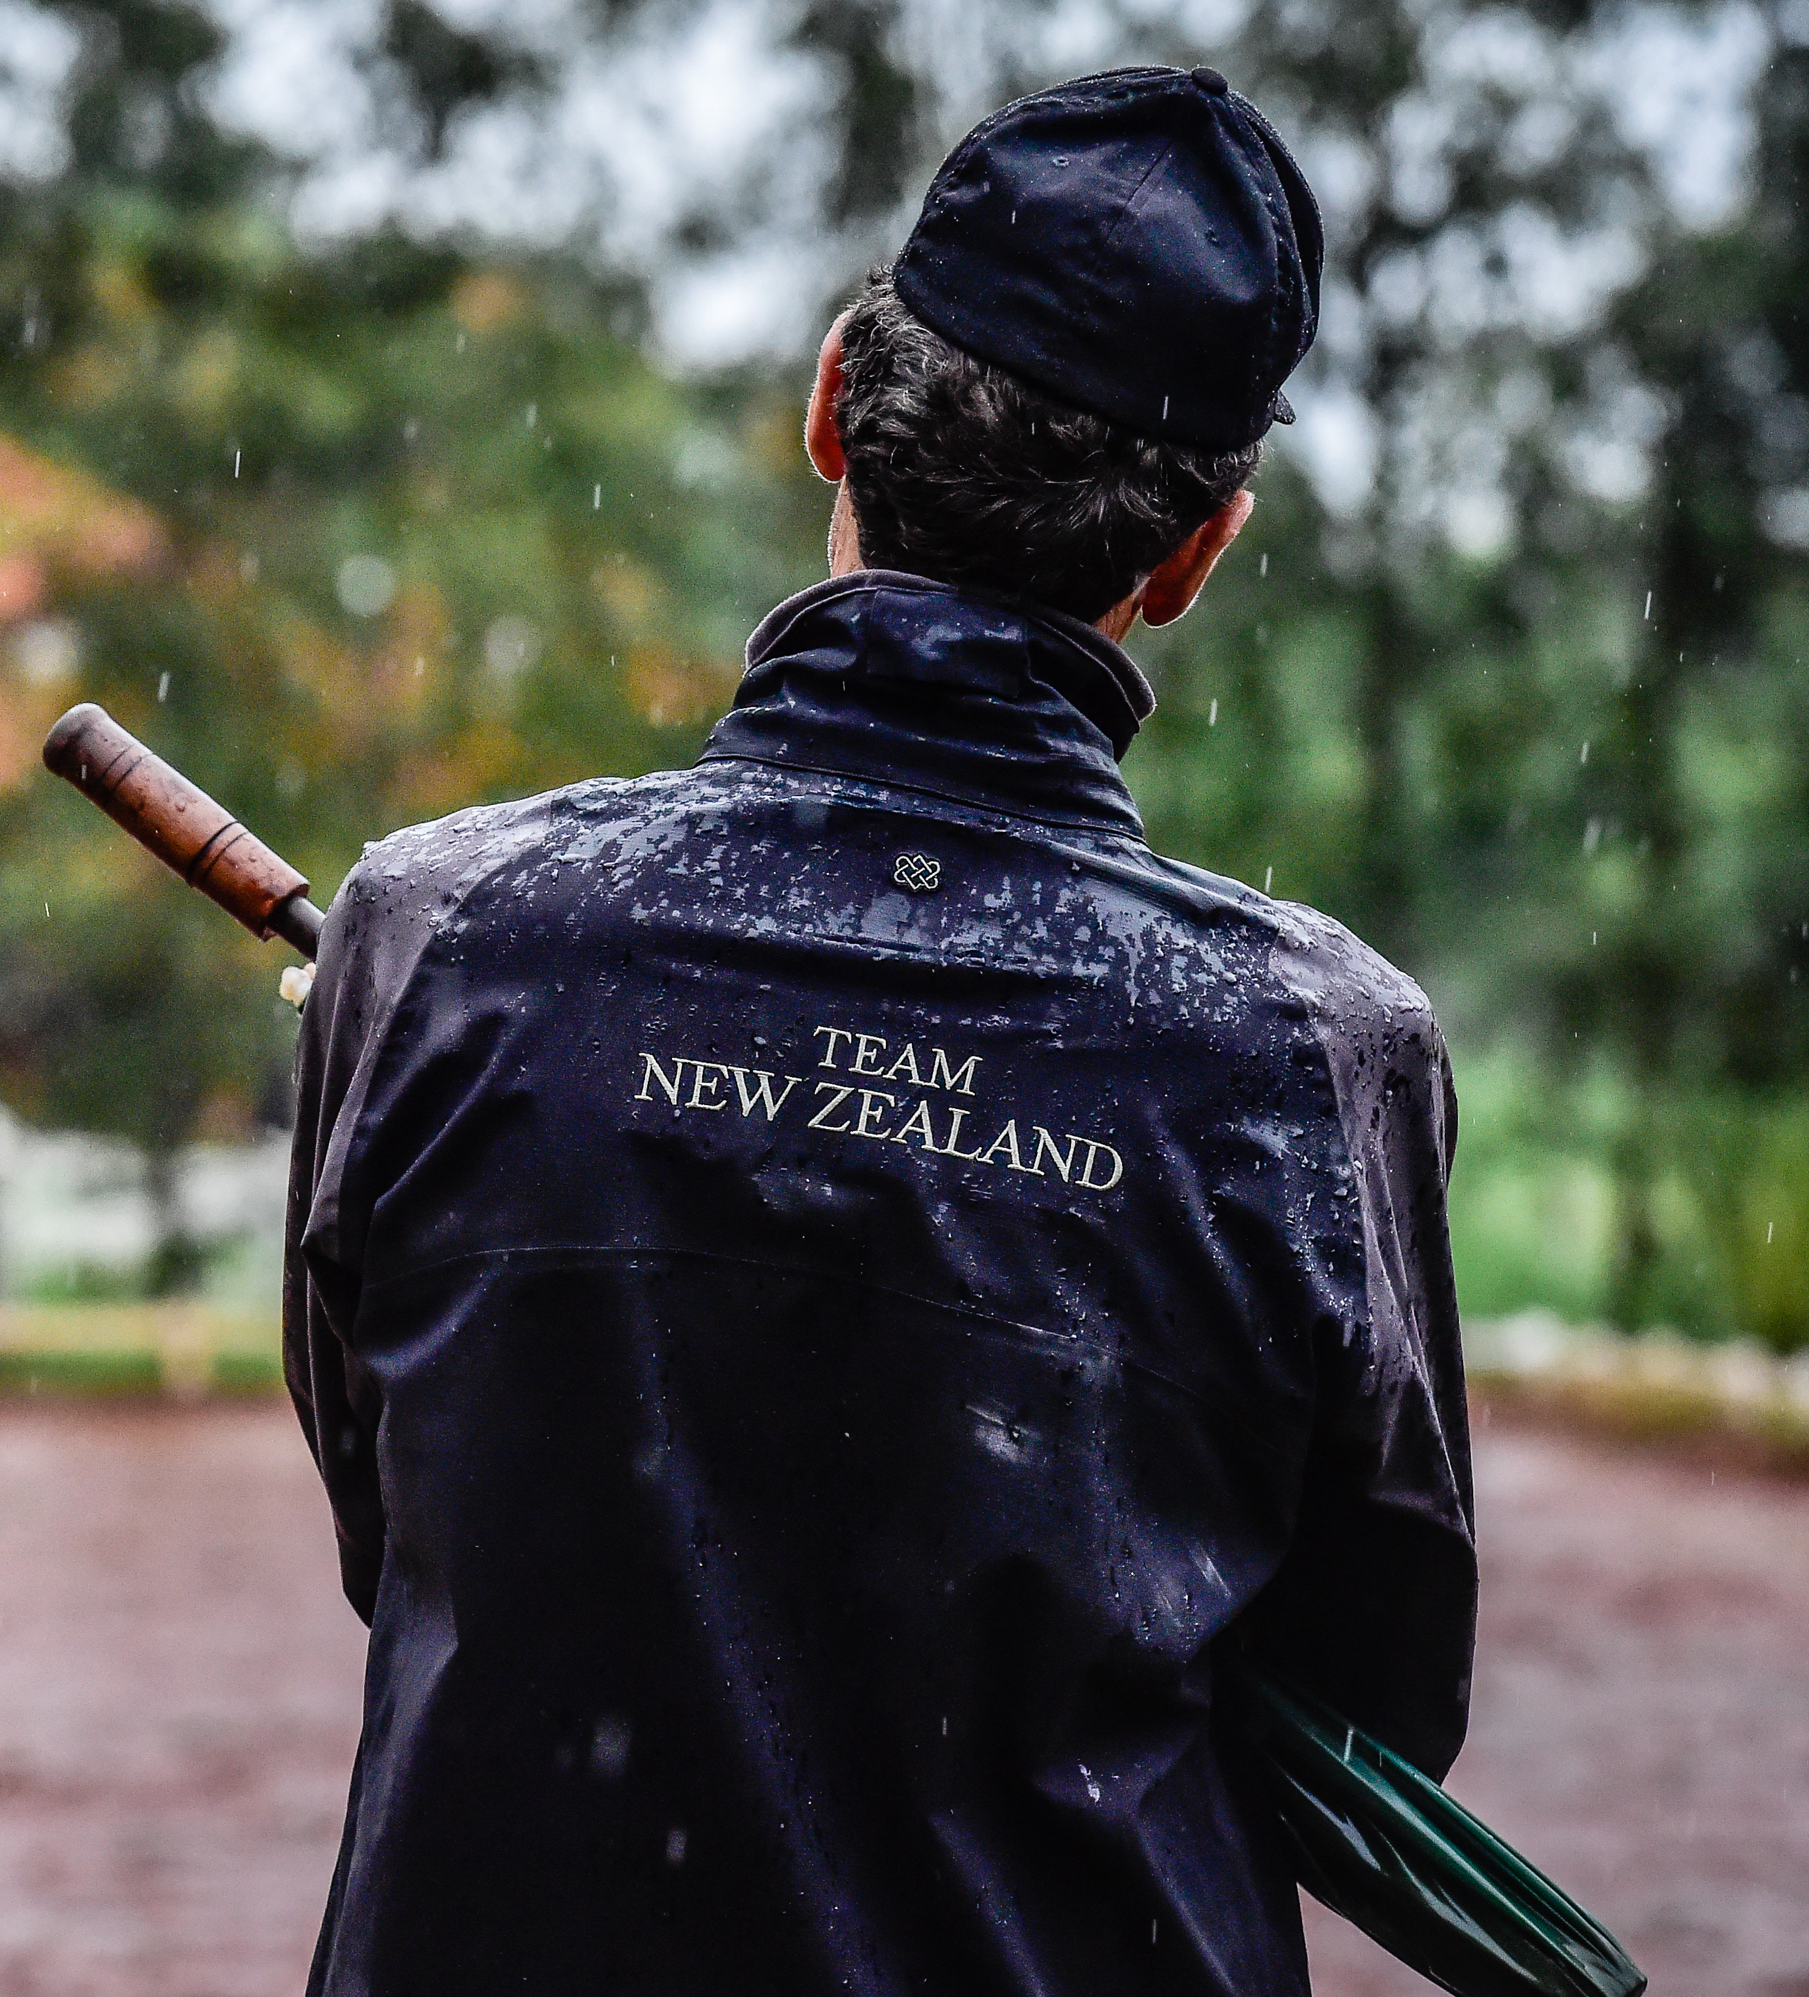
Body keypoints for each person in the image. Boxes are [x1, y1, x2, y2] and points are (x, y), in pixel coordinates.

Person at [283, 67, 1473, 1997]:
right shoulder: (1316, 1057)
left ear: (833, 399)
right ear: (1196, 554)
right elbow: (1370, 1707)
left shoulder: (439, 929)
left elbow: (407, 1527)